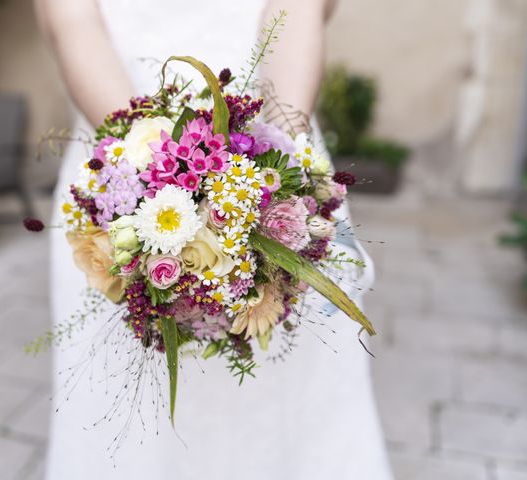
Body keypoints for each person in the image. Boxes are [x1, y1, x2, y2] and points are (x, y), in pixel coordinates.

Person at [35, 0, 393, 478]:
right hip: (119, 172)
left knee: (294, 408)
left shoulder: (279, 168)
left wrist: (280, 174)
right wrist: (152, 179)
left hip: (269, 151)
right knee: (134, 424)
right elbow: (72, 20)